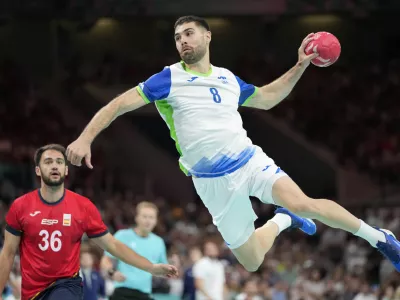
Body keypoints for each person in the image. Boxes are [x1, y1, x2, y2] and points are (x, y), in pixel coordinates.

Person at [66, 15, 400, 273]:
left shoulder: (227, 79)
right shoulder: (168, 78)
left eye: (189, 33)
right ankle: (283, 220)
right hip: (211, 182)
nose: (182, 41)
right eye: (177, 37)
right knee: (252, 260)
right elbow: (117, 105)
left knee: (303, 202)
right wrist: (86, 137)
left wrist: (300, 65)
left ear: (207, 36)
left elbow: (268, 98)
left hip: (248, 160)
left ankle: (379, 238)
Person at [0, 144, 178, 300]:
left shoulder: (82, 206)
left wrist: (150, 267)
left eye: (59, 162)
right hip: (32, 291)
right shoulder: (20, 206)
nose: (54, 166)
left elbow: (112, 245)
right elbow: (7, 253)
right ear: (38, 170)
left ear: (66, 170)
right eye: (48, 162)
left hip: (66, 285)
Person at [101, 201, 169, 300]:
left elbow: (163, 272)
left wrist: (172, 267)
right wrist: (112, 273)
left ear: (156, 220)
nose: (148, 221)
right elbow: (106, 260)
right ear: (137, 218)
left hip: (145, 294)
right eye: (144, 216)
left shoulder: (159, 242)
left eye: (151, 217)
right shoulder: (122, 236)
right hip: (122, 292)